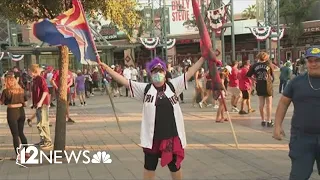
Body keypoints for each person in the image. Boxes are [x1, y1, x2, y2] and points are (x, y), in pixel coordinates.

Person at [100, 56, 206, 180]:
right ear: (150, 74)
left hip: (171, 136)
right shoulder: (145, 89)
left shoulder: (173, 86)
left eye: (160, 71)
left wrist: (203, 58)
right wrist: (106, 68)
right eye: (155, 71)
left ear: (165, 73)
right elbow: (124, 81)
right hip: (152, 138)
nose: (158, 74)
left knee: (174, 166)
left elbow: (190, 73)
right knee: (149, 167)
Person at [273, 46, 320, 179]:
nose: (314, 64)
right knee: (299, 176)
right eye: (310, 61)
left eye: (317, 60)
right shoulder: (297, 82)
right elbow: (283, 103)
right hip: (302, 138)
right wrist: (277, 125)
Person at [0, 74, 29, 160]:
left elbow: (1, 102)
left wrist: (2, 88)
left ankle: (18, 155)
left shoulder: (6, 91)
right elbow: (26, 103)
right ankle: (27, 152)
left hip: (12, 112)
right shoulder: (21, 90)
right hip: (21, 111)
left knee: (15, 135)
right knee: (21, 132)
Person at [246, 52, 274, 127]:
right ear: (266, 57)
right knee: (269, 104)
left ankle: (263, 120)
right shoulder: (268, 65)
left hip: (259, 85)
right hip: (267, 85)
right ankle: (269, 120)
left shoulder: (254, 65)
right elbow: (272, 76)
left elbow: (248, 75)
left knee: (261, 104)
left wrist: (254, 79)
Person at [30, 64, 52, 149]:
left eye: (30, 71)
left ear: (34, 71)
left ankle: (48, 141)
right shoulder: (34, 80)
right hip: (38, 104)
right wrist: (34, 103)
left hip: (43, 104)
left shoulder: (40, 79)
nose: (29, 73)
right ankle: (43, 139)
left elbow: (45, 91)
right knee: (39, 124)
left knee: (44, 123)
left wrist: (40, 102)